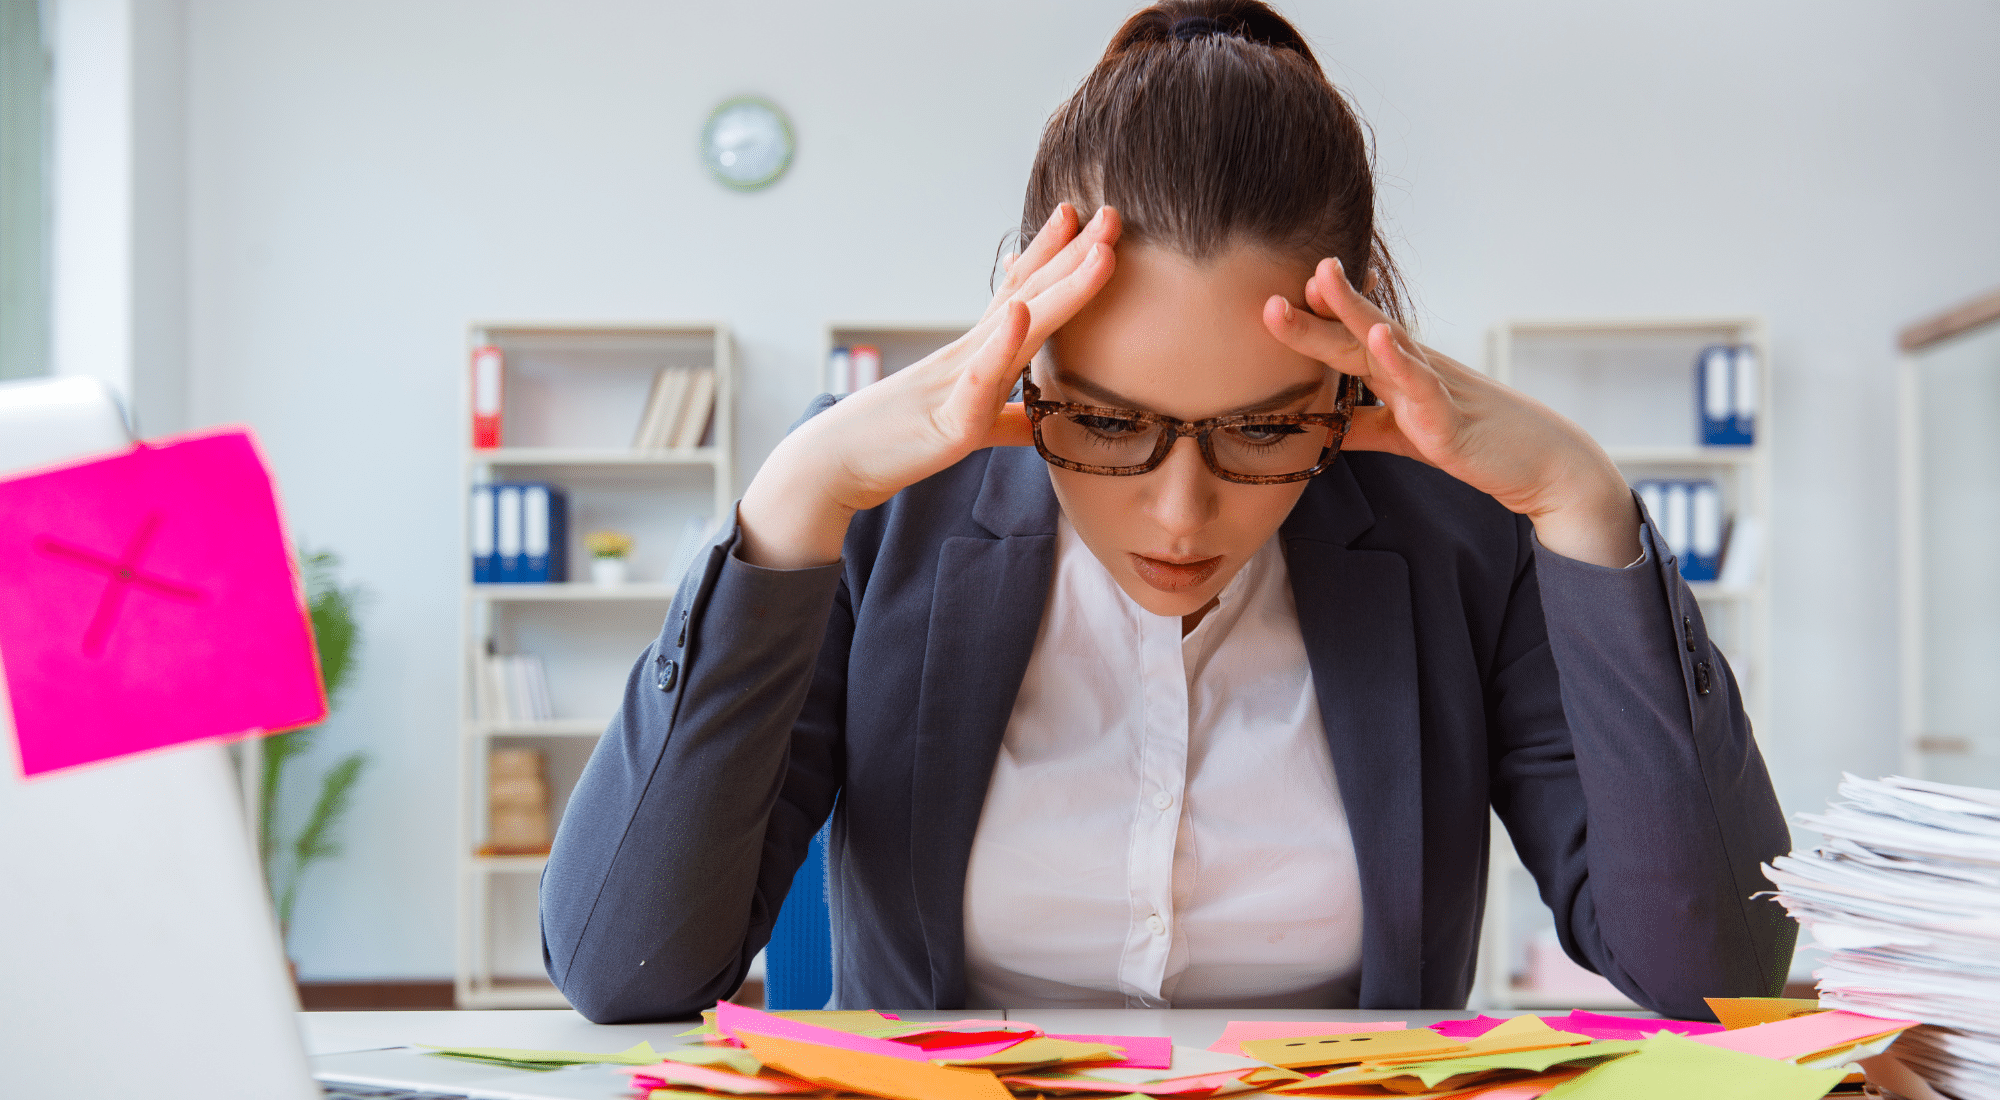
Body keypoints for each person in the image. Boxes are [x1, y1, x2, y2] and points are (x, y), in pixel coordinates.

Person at [540, 0, 1795, 1024]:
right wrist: (792, 497)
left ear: (1343, 375)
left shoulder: (1454, 540)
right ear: (1028, 353)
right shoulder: (886, 522)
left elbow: (1718, 975)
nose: (1179, 511)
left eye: (1262, 427)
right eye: (1103, 421)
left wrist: (1582, 504)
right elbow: (625, 965)